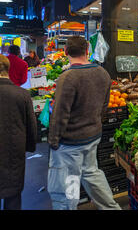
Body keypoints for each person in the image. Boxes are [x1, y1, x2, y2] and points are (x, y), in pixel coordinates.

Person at [47, 36, 120, 210]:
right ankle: (111, 207)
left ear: (65, 52)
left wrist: (53, 140)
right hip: (92, 137)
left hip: (70, 143)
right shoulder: (103, 73)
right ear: (87, 51)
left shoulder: (68, 77)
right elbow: (104, 106)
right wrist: (95, 124)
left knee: (68, 184)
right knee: (92, 174)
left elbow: (60, 114)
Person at [0, 54, 37, 210]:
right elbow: (31, 125)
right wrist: (30, 146)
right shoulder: (22, 94)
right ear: (8, 69)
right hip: (13, 151)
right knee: (13, 195)